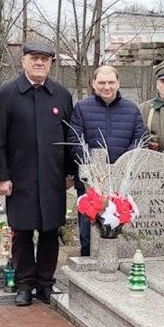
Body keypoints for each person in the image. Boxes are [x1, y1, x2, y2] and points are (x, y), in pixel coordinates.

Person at [0, 42, 75, 307]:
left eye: (45, 59)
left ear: (50, 64)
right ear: (23, 62)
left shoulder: (61, 94)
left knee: (50, 231)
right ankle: (25, 285)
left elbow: (70, 137)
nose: (39, 63)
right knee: (23, 232)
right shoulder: (8, 93)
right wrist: (2, 177)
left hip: (52, 177)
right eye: (34, 58)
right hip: (20, 178)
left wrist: (70, 172)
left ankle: (46, 284)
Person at [69, 65, 146, 256]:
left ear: (118, 83)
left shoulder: (132, 109)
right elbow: (74, 140)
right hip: (91, 183)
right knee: (89, 230)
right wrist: (95, 167)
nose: (107, 87)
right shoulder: (81, 108)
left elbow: (139, 140)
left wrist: (122, 165)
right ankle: (89, 264)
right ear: (93, 84)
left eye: (111, 82)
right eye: (102, 83)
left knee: (119, 227)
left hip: (121, 183)